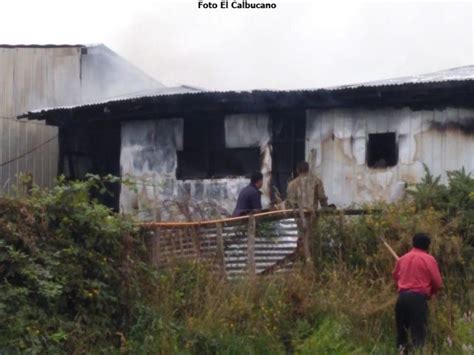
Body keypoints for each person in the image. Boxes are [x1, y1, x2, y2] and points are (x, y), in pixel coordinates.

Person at [392, 233, 443, 353]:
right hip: (418, 300)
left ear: (413, 243)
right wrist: (431, 293)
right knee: (418, 335)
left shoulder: (403, 259)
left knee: (402, 334)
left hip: (402, 298)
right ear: (428, 246)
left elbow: (395, 276)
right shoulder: (429, 259)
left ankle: (402, 352)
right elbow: (437, 283)